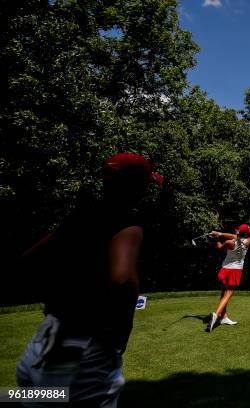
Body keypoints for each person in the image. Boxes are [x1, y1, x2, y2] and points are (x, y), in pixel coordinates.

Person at [16, 152, 164, 407]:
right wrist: (113, 338)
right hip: (85, 353)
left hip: (40, 346)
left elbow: (27, 263)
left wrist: (60, 299)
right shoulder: (127, 224)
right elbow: (123, 281)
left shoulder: (79, 217)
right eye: (145, 184)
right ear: (135, 185)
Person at [206, 223, 250, 332]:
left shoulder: (229, 243)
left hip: (225, 268)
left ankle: (224, 317)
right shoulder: (248, 241)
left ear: (238, 232)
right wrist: (220, 233)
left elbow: (219, 247)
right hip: (236, 270)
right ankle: (217, 314)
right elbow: (235, 236)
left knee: (224, 292)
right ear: (246, 233)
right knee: (229, 293)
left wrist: (217, 237)